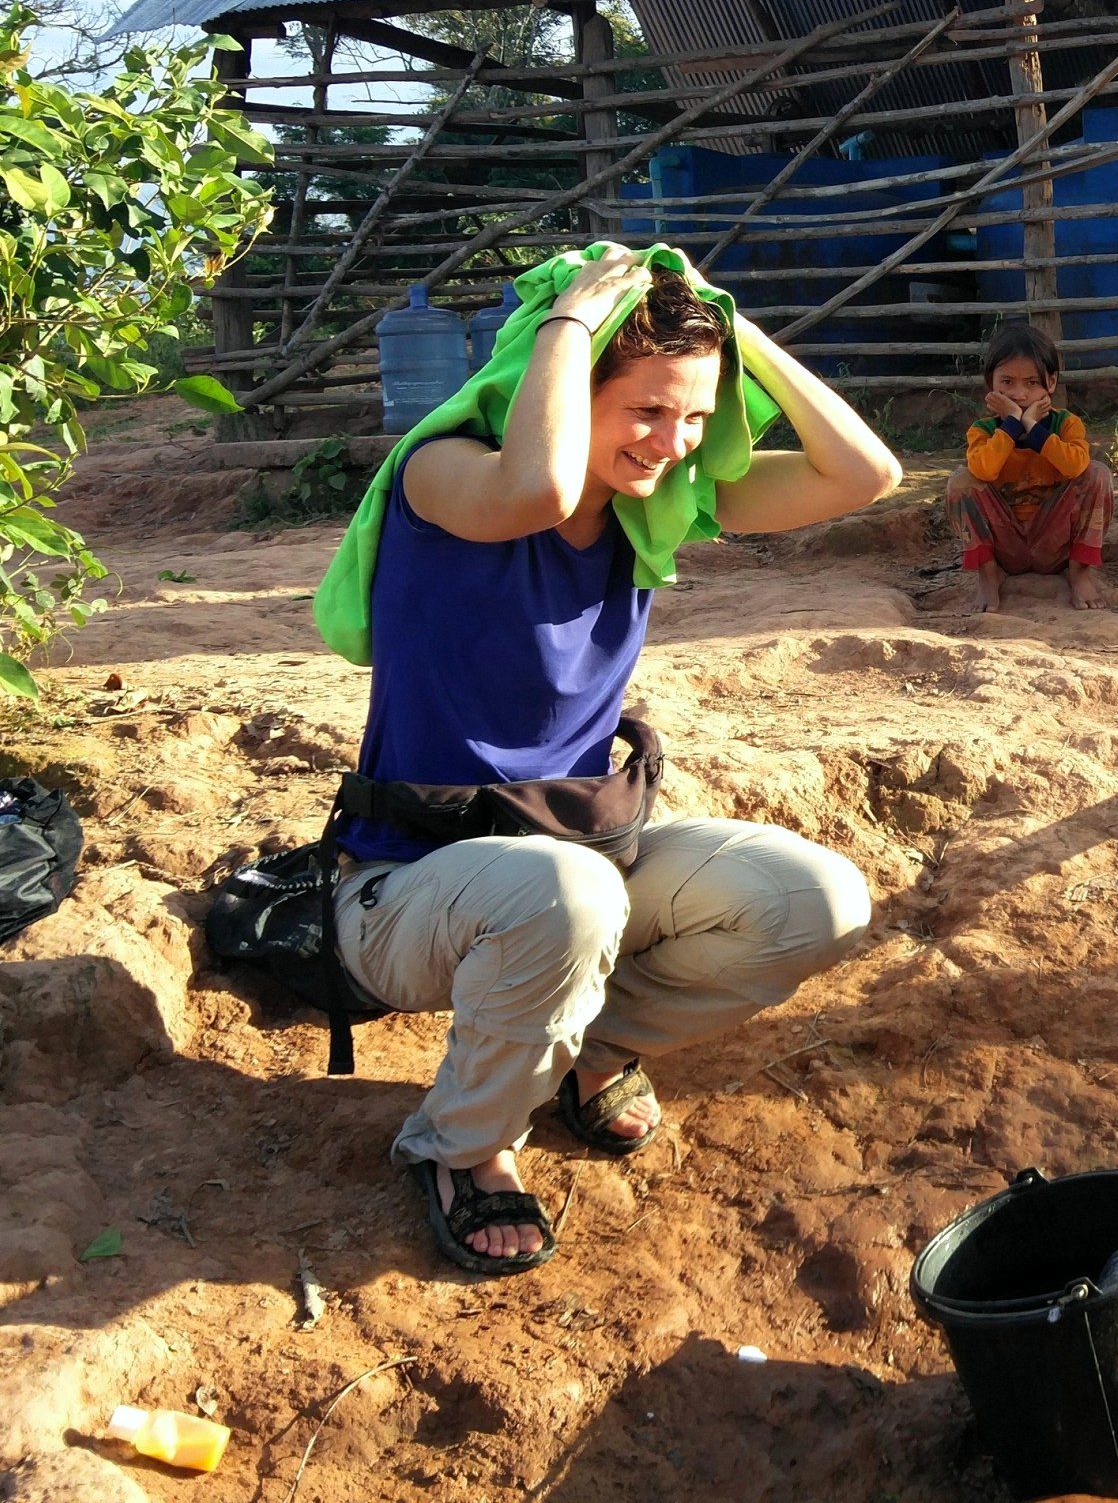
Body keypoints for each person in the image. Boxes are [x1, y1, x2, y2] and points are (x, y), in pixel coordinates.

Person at [319, 245, 904, 1276]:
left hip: (577, 858)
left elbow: (867, 475)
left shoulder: (651, 504)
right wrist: (566, 322)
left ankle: (586, 1048)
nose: (673, 444)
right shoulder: (442, 471)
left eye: (692, 417)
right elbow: (535, 485)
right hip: (404, 888)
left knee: (815, 897)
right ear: (561, 378)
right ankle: (462, 1147)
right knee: (568, 896)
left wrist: (725, 326)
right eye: (644, 412)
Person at [947, 320, 1113, 613]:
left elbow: (1076, 467)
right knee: (960, 481)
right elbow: (983, 471)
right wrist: (1011, 426)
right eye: (1007, 382)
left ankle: (1079, 572)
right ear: (991, 384)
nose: (1019, 394)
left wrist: (1035, 430)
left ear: (1051, 382)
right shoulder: (982, 430)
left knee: (1097, 473)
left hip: (1055, 541)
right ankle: (988, 576)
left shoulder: (1066, 425)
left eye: (1031, 383)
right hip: (1006, 543)